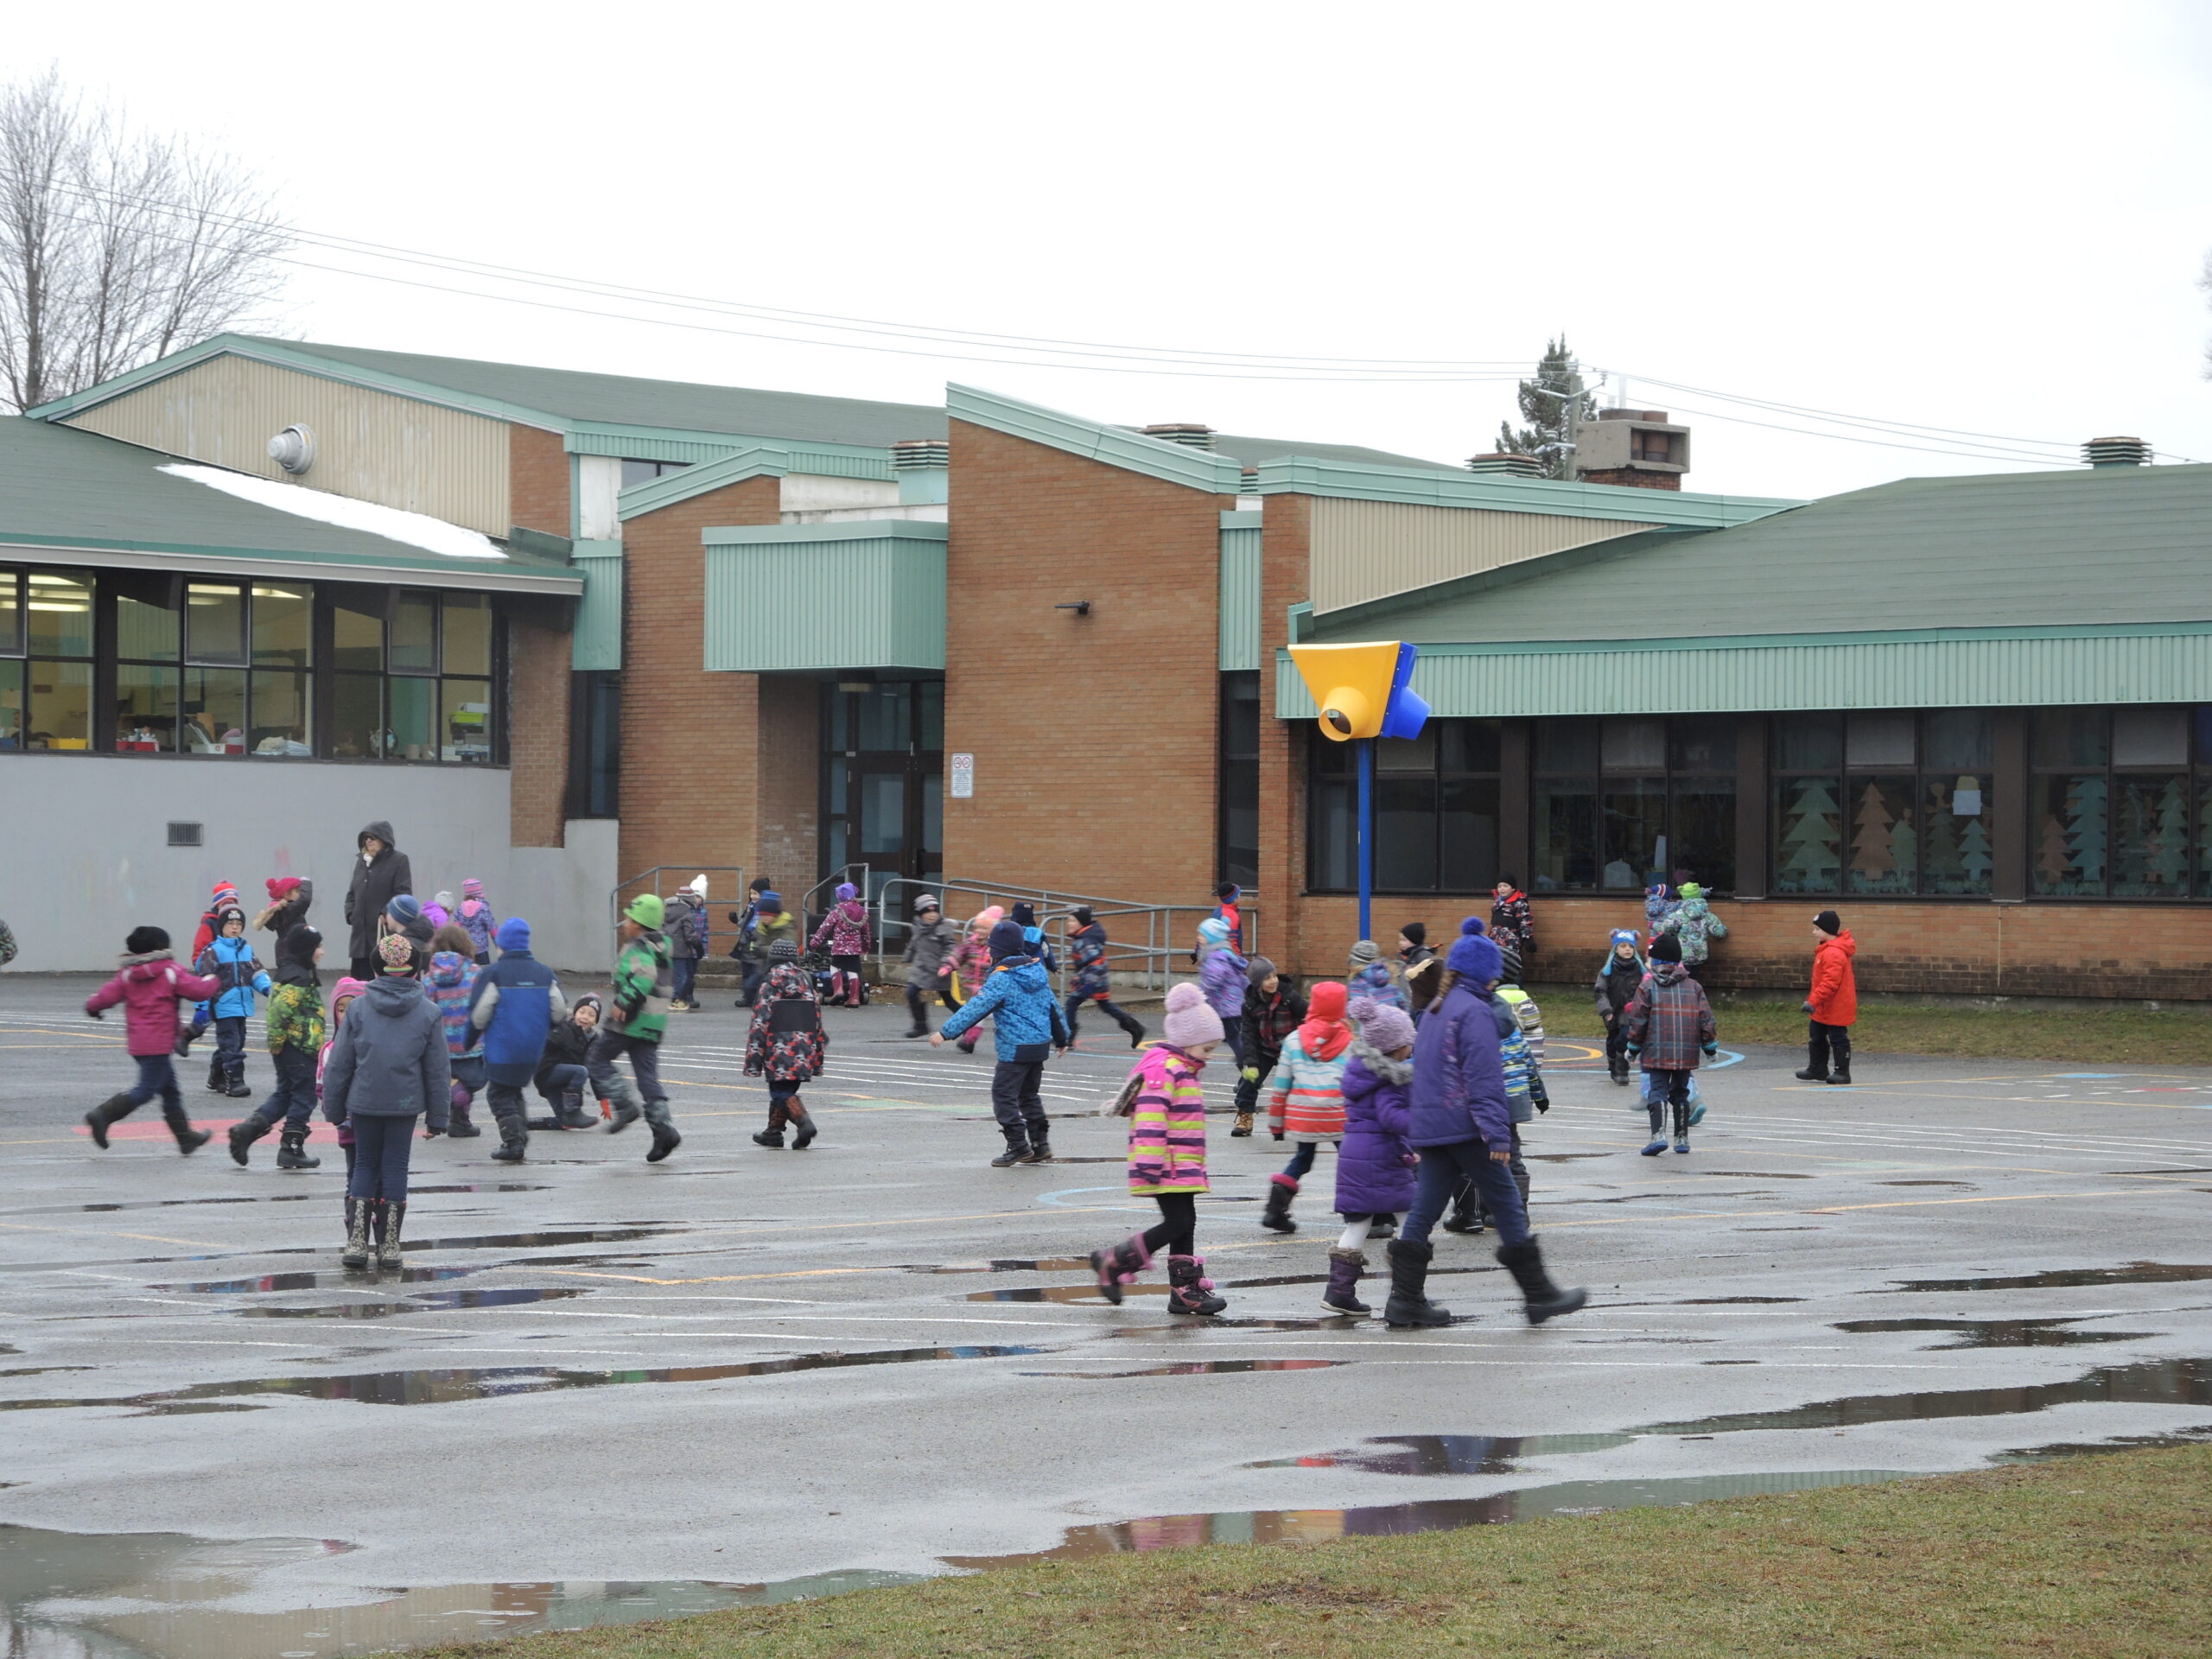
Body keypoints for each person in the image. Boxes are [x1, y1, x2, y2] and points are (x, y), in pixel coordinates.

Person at [1385, 918, 1586, 1329]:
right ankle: (1539, 1295)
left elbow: (1423, 1072)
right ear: (1487, 973)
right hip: (1466, 1128)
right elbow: (1482, 1078)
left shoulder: (1437, 1007)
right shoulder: (1474, 1011)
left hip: (1435, 1127)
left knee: (1424, 1209)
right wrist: (1497, 1133)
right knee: (1508, 1202)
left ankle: (1404, 1300)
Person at [1086, 982, 1226, 1317]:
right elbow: (1149, 1119)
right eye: (1206, 1049)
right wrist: (1149, 1164)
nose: (1210, 1056)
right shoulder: (1164, 1070)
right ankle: (1114, 1260)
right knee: (1177, 1223)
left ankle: (1184, 1291)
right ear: (1186, 1042)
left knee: (1185, 1223)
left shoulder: (1185, 1070)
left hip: (1183, 1163)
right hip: (1165, 1164)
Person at [321, 931, 451, 1270]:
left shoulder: (359, 1008)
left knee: (364, 1164)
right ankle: (390, 1244)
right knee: (395, 1167)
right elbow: (437, 1069)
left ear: (377, 969)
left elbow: (340, 1063)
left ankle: (357, 1243)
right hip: (404, 1102)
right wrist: (439, 1116)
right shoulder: (428, 1012)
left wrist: (333, 1107)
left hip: (363, 1100)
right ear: (415, 970)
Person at [934, 917, 1071, 1166]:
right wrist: (1062, 1038)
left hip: (1015, 1048)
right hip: (1038, 1046)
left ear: (997, 951)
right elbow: (1053, 1007)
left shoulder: (1002, 978)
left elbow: (977, 1007)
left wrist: (946, 1032)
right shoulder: (1037, 970)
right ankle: (1041, 1144)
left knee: (1003, 1095)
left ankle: (1018, 1145)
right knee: (1029, 1095)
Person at [83, 925, 221, 1154]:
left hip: (139, 1044)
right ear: (161, 947)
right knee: (146, 1089)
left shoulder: (127, 974)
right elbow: (197, 990)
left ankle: (185, 1138)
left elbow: (108, 994)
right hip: (159, 1043)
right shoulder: (169, 970)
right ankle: (102, 1115)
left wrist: (92, 1006)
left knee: (170, 1090)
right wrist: (214, 979)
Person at [1327, 996, 1418, 1316]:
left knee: (1358, 1223)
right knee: (1412, 1219)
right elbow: (1392, 1117)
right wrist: (1423, 1129)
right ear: (1394, 1048)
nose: (1411, 1048)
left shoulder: (1361, 1071)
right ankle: (1408, 1290)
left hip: (1356, 1154)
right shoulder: (1389, 1078)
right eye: (1408, 1043)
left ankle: (1338, 1292)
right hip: (1381, 1157)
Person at [466, 917, 565, 1163]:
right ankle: (519, 1134)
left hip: (504, 1048)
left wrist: (468, 1040)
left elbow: (479, 1015)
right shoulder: (544, 973)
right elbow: (559, 1011)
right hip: (533, 1049)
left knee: (498, 1094)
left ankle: (513, 1141)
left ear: (502, 944)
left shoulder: (494, 973)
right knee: (512, 1090)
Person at [227, 923, 327, 1170]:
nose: (322, 952)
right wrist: (277, 1042)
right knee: (304, 1096)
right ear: (306, 950)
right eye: (318, 947)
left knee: (285, 1094)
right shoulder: (298, 978)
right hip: (298, 1047)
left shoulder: (293, 972)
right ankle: (291, 1147)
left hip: (291, 1047)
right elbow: (279, 1011)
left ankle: (247, 1131)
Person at [594, 893, 683, 1162]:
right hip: (653, 1023)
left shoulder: (639, 948)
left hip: (630, 1021)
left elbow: (644, 976)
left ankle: (624, 1106)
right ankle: (663, 1130)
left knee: (596, 1059)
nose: (624, 923)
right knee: (647, 1078)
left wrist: (624, 1001)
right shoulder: (661, 948)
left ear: (640, 924)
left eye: (629, 919)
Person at [1261, 980, 1353, 1234]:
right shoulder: (1349, 1041)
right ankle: (1362, 1213)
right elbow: (1357, 1083)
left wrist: (1276, 1124)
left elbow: (1281, 1086)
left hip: (1304, 1114)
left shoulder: (1293, 1040)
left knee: (1303, 1159)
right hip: (1339, 1113)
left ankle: (1275, 1209)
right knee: (1351, 1161)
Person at [1625, 931, 1718, 1155]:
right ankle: (1682, 1138)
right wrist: (1709, 1046)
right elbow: (1706, 1018)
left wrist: (1633, 1047)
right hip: (1685, 1052)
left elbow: (1639, 1020)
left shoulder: (1647, 988)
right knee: (1681, 1092)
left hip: (1655, 1051)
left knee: (1657, 1091)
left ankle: (1658, 1136)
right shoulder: (1694, 987)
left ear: (1655, 961)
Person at [747, 937, 826, 1148]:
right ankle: (773, 1132)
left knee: (780, 1092)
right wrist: (818, 1046)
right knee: (787, 1089)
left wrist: (754, 1057)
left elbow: (760, 1022)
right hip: (804, 1047)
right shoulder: (806, 979)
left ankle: (804, 1122)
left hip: (777, 1048)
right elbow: (816, 1017)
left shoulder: (769, 981)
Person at [194, 906, 270, 1098]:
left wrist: (269, 989)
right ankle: (235, 1081)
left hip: (243, 1005)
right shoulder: (214, 951)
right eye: (230, 923)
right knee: (231, 1044)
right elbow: (205, 980)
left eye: (238, 924)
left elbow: (256, 973)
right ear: (222, 927)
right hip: (223, 1005)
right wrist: (202, 1007)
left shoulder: (246, 949)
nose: (235, 927)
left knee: (236, 1041)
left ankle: (217, 1076)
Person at [425, 925, 486, 1141]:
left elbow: (426, 1009)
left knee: (450, 1080)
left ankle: (459, 1121)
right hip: (471, 1041)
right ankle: (459, 1110)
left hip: (442, 1044)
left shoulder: (429, 976)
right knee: (476, 1080)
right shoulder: (476, 973)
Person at [1234, 958, 1304, 1138]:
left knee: (1301, 1084)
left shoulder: (1289, 997)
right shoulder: (1249, 1004)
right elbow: (1247, 1034)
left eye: (1274, 976)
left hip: (1290, 1049)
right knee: (1248, 1083)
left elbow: (1309, 1016)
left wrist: (1307, 1043)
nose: (1273, 981)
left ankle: (1302, 1118)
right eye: (1267, 978)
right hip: (1264, 1048)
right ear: (1257, 983)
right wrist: (1251, 1062)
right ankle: (1245, 1117)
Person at [1063, 904, 1146, 1049]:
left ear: (1082, 923)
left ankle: (1068, 1036)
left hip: (1091, 981)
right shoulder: (1083, 937)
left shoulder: (1085, 940)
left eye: (1073, 921)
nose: (1069, 924)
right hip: (1092, 980)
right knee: (1105, 1006)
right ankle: (1135, 1028)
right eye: (1068, 920)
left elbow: (1096, 963)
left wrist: (1088, 983)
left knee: (1071, 1004)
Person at [343, 821, 412, 981]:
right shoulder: (362, 862)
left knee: (380, 982)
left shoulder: (399, 860)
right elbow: (352, 894)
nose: (369, 841)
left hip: (384, 936)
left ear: (384, 839)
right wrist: (351, 914)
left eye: (373, 837)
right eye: (366, 838)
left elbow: (403, 893)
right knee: (359, 985)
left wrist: (385, 913)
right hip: (359, 939)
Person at [1797, 908, 1859, 1086]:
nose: (1814, 932)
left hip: (1835, 1005)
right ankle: (1817, 1068)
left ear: (1827, 930)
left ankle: (1842, 1072)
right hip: (1823, 1005)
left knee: (1838, 1037)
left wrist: (1812, 1001)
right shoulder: (1825, 950)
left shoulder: (1834, 953)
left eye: (1817, 929)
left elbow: (1830, 983)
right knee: (1816, 1035)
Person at [531, 993, 603, 1130]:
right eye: (582, 1012)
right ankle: (573, 1111)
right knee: (580, 1071)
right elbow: (548, 1042)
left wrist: (602, 1098)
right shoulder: (564, 1028)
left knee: (565, 1122)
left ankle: (525, 1123)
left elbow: (596, 1068)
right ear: (575, 1013)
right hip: (547, 1073)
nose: (585, 1017)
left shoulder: (594, 1040)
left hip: (562, 1084)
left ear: (595, 1021)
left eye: (591, 1015)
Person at [945, 904, 1004, 1056]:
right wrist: (948, 967)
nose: (979, 931)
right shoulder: (970, 944)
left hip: (992, 987)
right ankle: (969, 1041)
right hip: (975, 988)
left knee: (997, 1014)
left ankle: (1011, 1037)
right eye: (977, 928)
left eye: (984, 929)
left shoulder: (996, 946)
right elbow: (959, 954)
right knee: (977, 1014)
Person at [901, 894, 961, 1039]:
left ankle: (969, 1020)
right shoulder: (918, 928)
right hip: (921, 969)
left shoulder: (944, 928)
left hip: (939, 970)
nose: (932, 915)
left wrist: (946, 963)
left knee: (948, 1000)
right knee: (911, 993)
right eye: (927, 912)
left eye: (934, 912)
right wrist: (907, 956)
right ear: (921, 915)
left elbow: (951, 947)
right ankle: (921, 1025)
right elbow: (913, 944)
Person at [1592, 928, 1645, 1086]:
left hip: (1630, 1011)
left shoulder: (1640, 970)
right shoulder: (1608, 970)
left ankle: (1623, 1070)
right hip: (1612, 1010)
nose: (1627, 949)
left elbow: (1646, 989)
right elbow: (1600, 991)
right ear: (1616, 949)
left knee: (1624, 1037)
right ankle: (1613, 1066)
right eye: (1623, 946)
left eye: (1630, 946)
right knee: (1613, 1040)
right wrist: (1606, 1011)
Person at [1196, 917, 1249, 1069]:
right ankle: (1243, 1059)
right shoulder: (1222, 954)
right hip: (1228, 1005)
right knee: (1231, 1036)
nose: (1198, 938)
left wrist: (1199, 992)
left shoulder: (1216, 957)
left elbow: (1213, 978)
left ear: (1211, 938)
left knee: (1232, 1036)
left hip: (1227, 1006)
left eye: (1202, 935)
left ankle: (1245, 1060)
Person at [811, 882, 873, 1007]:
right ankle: (854, 998)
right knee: (853, 970)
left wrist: (815, 942)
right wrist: (866, 946)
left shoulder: (837, 912)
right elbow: (866, 933)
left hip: (839, 947)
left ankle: (838, 991)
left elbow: (825, 928)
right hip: (855, 949)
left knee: (835, 967)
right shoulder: (862, 913)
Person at [1656, 880, 1728, 983]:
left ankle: (1685, 995)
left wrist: (1655, 925)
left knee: (1682, 979)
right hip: (1700, 955)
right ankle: (1695, 994)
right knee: (1694, 979)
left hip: (1682, 955)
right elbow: (1720, 933)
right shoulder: (1707, 915)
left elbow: (1666, 929)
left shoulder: (1679, 915)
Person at [741, 890, 800, 1011]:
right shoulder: (762, 926)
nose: (763, 919)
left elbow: (789, 945)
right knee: (749, 986)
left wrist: (761, 950)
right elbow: (758, 942)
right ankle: (754, 1002)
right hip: (764, 964)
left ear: (774, 915)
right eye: (761, 916)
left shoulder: (786, 925)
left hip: (782, 966)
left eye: (765, 916)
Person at [728, 876, 773, 1007]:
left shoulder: (767, 909)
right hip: (746, 944)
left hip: (758, 945)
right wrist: (736, 920)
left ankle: (756, 996)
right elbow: (744, 922)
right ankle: (747, 997)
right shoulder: (751, 906)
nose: (752, 896)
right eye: (751, 893)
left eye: (755, 893)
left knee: (757, 973)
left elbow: (767, 927)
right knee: (746, 972)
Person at [665, 875, 708, 1012]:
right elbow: (690, 936)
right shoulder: (687, 913)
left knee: (672, 975)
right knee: (683, 976)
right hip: (681, 950)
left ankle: (671, 997)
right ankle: (675, 1000)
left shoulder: (667, 910)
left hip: (668, 948)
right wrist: (700, 949)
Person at [383, 894, 434, 979]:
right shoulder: (424, 943)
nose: (386, 916)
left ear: (396, 917)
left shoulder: (400, 948)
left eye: (389, 912)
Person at [1398, 923, 1442, 1020]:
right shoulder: (1410, 957)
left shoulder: (1422, 958)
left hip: (1420, 1009)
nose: (1400, 943)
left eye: (1404, 940)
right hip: (1413, 1007)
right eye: (1400, 939)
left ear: (1414, 940)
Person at [253, 876, 313, 944]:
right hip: (294, 945)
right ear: (287, 894)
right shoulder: (288, 909)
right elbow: (305, 900)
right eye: (297, 891)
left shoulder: (286, 909)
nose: (300, 894)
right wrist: (305, 882)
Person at [1346, 940, 1403, 1010]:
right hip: (1394, 1018)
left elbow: (1357, 1009)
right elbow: (1401, 1001)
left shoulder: (1357, 983)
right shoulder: (1387, 974)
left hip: (1373, 1020)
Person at [1490, 877, 1535, 963]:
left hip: (1511, 941)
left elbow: (1525, 921)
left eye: (1505, 886)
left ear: (1513, 888)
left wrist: (1528, 938)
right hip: (1495, 939)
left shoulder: (1519, 903)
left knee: (1511, 966)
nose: (1502, 889)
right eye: (1499, 886)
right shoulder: (1497, 902)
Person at [456, 878, 499, 966]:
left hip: (465, 950)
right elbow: (492, 928)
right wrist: (499, 946)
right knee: (483, 975)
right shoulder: (483, 908)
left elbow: (456, 928)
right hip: (481, 951)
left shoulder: (460, 909)